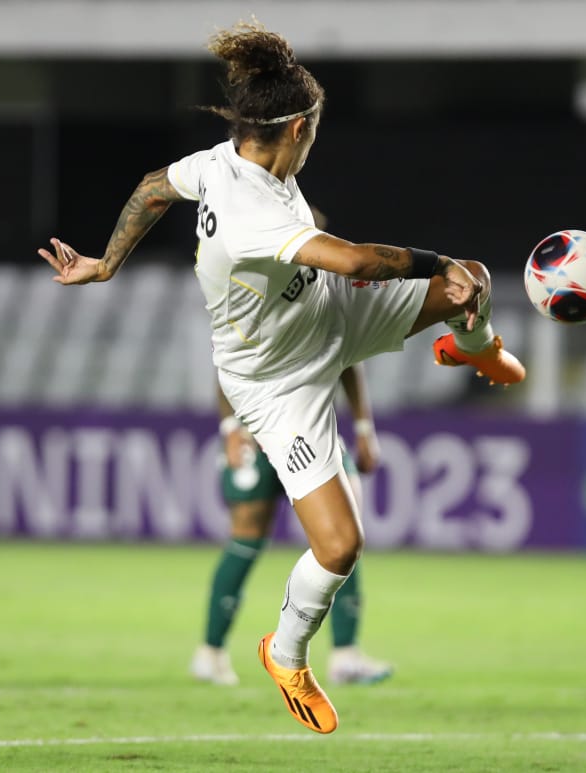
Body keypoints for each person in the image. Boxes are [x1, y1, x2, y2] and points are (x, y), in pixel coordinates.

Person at [38, 20, 525, 734]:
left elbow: (150, 188)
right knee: (338, 546)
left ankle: (475, 348)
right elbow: (358, 262)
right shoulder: (250, 213)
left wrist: (107, 262)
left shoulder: (218, 163)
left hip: (323, 318)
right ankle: (286, 652)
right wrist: (432, 261)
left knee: (470, 282)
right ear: (299, 128)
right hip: (278, 383)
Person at [190, 363, 393, 687]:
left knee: (344, 534)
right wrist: (230, 428)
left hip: (316, 433)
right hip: (256, 432)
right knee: (247, 536)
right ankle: (211, 652)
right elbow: (226, 362)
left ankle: (345, 654)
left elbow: (351, 361)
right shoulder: (257, 315)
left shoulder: (327, 313)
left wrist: (364, 429)